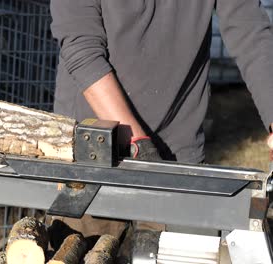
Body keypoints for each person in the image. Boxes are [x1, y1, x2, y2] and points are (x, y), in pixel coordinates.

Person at [48, 0, 273, 254]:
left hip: (178, 155)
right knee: (79, 251)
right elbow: (82, 51)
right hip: (92, 152)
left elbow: (251, 32)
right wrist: (139, 146)